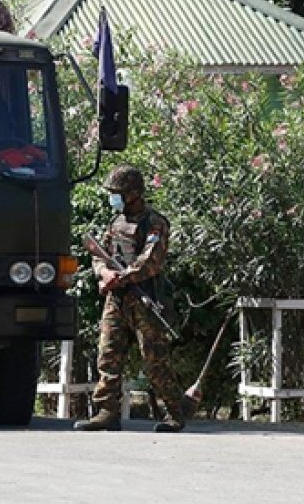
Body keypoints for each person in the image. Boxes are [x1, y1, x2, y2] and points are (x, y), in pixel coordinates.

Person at [74, 165, 189, 433]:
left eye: (118, 192)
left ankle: (174, 412)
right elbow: (99, 253)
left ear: (133, 193)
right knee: (108, 356)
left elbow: (151, 261)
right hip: (116, 299)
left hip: (145, 298)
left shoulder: (154, 223)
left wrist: (122, 277)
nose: (113, 197)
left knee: (154, 359)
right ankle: (106, 412)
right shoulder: (115, 222)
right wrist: (103, 273)